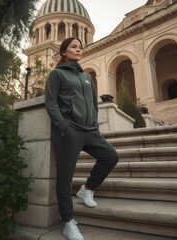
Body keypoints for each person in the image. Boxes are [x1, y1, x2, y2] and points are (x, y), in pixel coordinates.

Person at [44, 37, 119, 240]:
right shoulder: (57, 74)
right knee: (65, 177)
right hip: (70, 130)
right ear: (64, 52)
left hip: (90, 130)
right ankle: (68, 221)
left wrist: (95, 125)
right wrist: (63, 126)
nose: (79, 50)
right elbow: (50, 102)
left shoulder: (86, 77)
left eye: (80, 47)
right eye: (74, 47)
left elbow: (93, 104)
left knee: (110, 156)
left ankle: (87, 189)